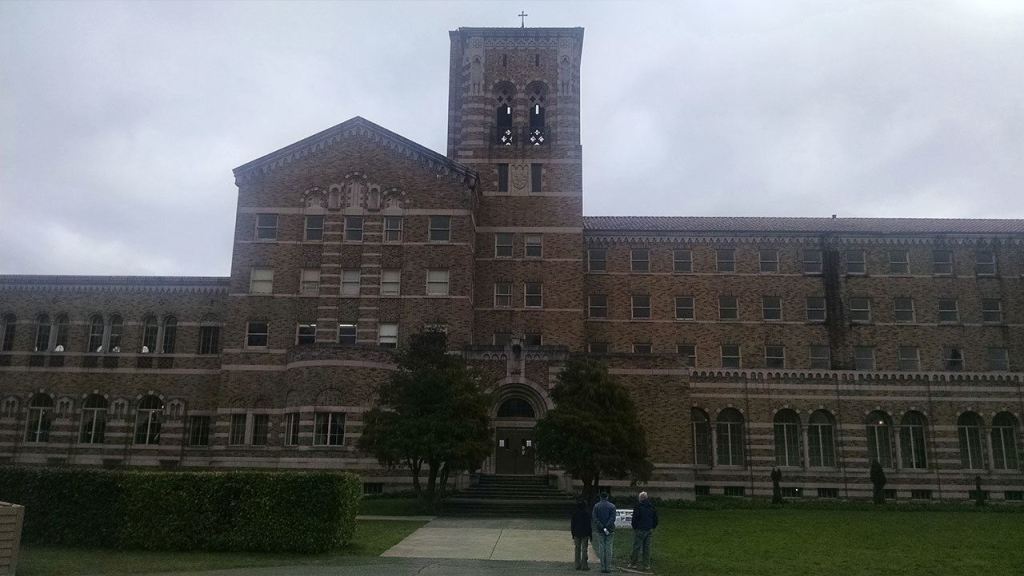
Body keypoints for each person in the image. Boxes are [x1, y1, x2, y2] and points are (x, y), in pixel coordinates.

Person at [628, 491, 658, 572]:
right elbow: (655, 518)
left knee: (636, 547)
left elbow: (635, 518)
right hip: (649, 529)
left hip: (640, 529)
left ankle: (633, 564)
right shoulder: (651, 506)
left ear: (640, 498)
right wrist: (653, 527)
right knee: (647, 548)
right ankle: (646, 565)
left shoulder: (638, 506)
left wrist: (634, 527)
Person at [592, 491, 617, 573]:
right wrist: (607, 526)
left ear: (600, 497)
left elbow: (595, 518)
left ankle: (602, 567)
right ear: (607, 497)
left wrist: (602, 526)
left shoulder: (596, 506)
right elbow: (612, 518)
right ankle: (608, 567)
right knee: (609, 548)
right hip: (610, 530)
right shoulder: (612, 506)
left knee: (601, 548)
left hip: (600, 530)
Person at [570, 498, 591, 571]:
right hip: (585, 533)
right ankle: (584, 565)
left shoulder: (575, 513)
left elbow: (572, 525)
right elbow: (589, 525)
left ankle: (577, 565)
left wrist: (572, 533)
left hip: (576, 533)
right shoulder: (587, 514)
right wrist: (590, 535)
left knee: (577, 549)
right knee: (584, 549)